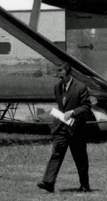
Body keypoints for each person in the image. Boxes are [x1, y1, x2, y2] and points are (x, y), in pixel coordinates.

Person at [37, 63, 92, 193]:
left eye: (62, 76)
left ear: (69, 75)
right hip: (61, 127)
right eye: (58, 76)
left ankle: (84, 185)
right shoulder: (57, 87)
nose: (59, 79)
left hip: (76, 128)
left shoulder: (81, 88)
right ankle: (48, 182)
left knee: (80, 158)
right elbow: (61, 105)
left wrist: (72, 112)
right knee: (56, 154)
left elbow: (86, 107)